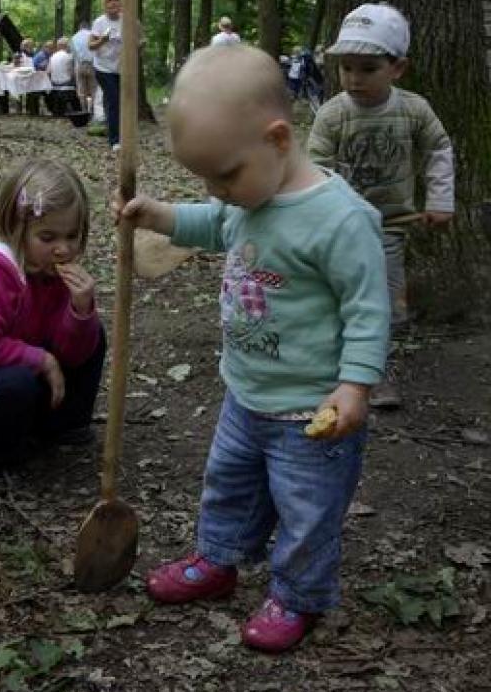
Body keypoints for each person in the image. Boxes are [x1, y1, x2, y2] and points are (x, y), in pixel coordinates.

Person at [116, 45, 389, 653]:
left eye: (226, 174)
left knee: (307, 511)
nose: (218, 190)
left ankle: (296, 594)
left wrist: (355, 385)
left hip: (311, 411)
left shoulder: (340, 220)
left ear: (278, 138)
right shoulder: (244, 199)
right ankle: (218, 559)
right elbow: (211, 225)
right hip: (246, 393)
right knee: (228, 484)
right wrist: (157, 215)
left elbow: (368, 310)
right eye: (205, 178)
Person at [308, 3, 454, 408]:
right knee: (334, 297)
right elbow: (315, 168)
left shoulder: (413, 109)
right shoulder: (332, 115)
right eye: (346, 68)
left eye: (367, 68)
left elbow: (439, 148)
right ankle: (329, 369)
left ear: (397, 68)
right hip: (337, 228)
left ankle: (374, 373)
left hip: (389, 227)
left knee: (385, 305)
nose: (353, 79)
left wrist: (441, 200)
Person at [0, 158, 105, 485]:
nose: (63, 249)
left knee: (93, 332)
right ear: (17, 230)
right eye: (48, 237)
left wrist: (79, 312)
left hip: (19, 374)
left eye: (72, 236)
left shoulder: (52, 276)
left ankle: (61, 427)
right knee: (16, 381)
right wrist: (40, 359)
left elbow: (70, 353)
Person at [90, 0, 123, 150]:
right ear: (104, 5)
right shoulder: (99, 22)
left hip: (121, 68)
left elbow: (138, 37)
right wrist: (103, 39)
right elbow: (91, 46)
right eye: (109, 1)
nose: (113, 3)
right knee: (114, 101)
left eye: (116, 0)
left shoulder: (127, 21)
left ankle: (110, 127)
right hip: (103, 68)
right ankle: (115, 140)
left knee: (118, 102)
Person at [47, 37, 80, 116]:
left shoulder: (52, 57)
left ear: (59, 46)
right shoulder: (69, 57)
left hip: (54, 84)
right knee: (77, 85)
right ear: (65, 45)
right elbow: (72, 73)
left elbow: (48, 72)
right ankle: (78, 111)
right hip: (67, 83)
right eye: (68, 45)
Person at [71, 20, 96, 112]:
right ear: (88, 27)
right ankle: (93, 109)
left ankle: (84, 110)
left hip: (80, 65)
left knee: (81, 90)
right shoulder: (92, 35)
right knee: (93, 89)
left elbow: (73, 54)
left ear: (80, 27)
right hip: (92, 64)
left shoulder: (74, 37)